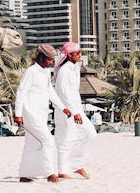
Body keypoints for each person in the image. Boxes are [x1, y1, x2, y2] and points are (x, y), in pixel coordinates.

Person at [14, 44, 72, 183]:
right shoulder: (31, 72)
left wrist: (62, 107)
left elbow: (50, 92)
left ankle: (25, 174)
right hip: (30, 114)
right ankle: (50, 173)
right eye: (49, 60)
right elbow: (20, 92)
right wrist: (18, 114)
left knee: (32, 144)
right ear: (40, 57)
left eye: (52, 60)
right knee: (47, 141)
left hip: (41, 114)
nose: (51, 62)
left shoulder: (45, 73)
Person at [54, 42, 97, 180]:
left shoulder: (74, 68)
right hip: (65, 110)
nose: (80, 55)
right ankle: (62, 170)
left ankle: (77, 165)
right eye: (77, 52)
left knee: (91, 134)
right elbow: (64, 93)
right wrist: (74, 112)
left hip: (76, 109)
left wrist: (77, 110)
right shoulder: (64, 70)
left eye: (80, 52)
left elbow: (73, 93)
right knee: (64, 140)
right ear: (69, 55)